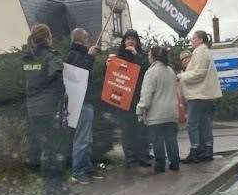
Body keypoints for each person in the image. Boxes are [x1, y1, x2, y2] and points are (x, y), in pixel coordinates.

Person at [22, 24, 70, 195]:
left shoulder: (28, 58)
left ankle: (48, 191)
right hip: (50, 109)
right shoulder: (51, 57)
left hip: (34, 110)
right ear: (48, 37)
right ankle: (59, 190)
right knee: (56, 150)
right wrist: (62, 102)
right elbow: (58, 85)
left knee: (46, 151)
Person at [65, 28, 104, 185]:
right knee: (82, 137)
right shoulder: (74, 55)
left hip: (85, 101)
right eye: (87, 37)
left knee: (86, 138)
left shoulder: (77, 54)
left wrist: (88, 56)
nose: (89, 40)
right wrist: (90, 57)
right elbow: (81, 74)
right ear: (80, 39)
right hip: (80, 102)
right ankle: (78, 172)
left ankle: (86, 168)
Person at [177, 30, 222, 164]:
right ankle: (207, 150)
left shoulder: (200, 51)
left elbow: (199, 73)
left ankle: (195, 150)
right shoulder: (204, 51)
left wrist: (181, 76)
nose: (192, 41)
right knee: (204, 123)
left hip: (198, 94)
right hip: (204, 94)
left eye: (194, 39)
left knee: (192, 123)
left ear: (201, 39)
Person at [136, 46, 180, 173]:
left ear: (153, 57)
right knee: (171, 139)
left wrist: (141, 109)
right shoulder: (170, 71)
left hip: (156, 113)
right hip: (172, 111)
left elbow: (147, 94)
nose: (148, 57)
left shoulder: (151, 72)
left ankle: (160, 165)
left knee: (157, 140)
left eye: (149, 55)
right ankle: (175, 163)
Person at [113, 29, 151, 167]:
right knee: (127, 131)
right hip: (124, 100)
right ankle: (130, 158)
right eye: (128, 39)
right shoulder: (118, 57)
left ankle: (143, 157)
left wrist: (136, 55)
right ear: (124, 42)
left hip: (138, 99)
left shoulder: (142, 55)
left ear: (137, 42)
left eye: (133, 39)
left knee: (141, 130)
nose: (130, 41)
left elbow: (147, 69)